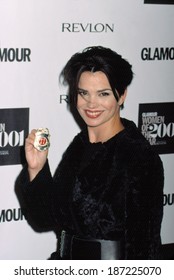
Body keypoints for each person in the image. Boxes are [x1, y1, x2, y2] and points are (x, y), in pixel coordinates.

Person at [17, 46, 164, 260]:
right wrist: (37, 169)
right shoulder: (79, 147)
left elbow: (145, 248)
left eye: (103, 94)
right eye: (83, 93)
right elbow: (45, 219)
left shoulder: (139, 157)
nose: (91, 103)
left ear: (121, 95)